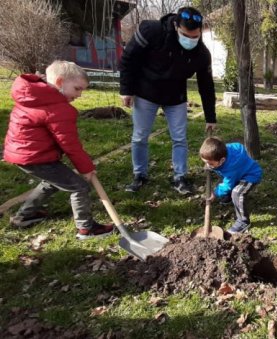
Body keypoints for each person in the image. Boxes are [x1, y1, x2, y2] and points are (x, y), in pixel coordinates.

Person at [3, 61, 114, 239]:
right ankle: (86, 229)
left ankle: (25, 216)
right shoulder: (58, 109)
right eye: (77, 89)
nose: (79, 95)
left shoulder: (33, 95)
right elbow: (70, 144)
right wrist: (86, 168)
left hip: (22, 153)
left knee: (52, 182)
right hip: (36, 156)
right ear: (60, 82)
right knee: (79, 187)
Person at [119, 6, 217, 195]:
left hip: (175, 97)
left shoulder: (202, 53)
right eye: (186, 35)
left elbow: (206, 85)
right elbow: (128, 58)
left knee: (179, 138)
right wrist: (126, 90)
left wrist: (210, 116)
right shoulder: (151, 31)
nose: (190, 40)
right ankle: (140, 174)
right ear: (175, 26)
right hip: (146, 91)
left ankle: (180, 177)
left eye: (195, 36)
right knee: (140, 137)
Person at [199, 137, 262, 234]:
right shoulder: (224, 150)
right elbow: (236, 145)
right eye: (205, 162)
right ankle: (228, 196)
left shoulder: (231, 168)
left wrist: (215, 194)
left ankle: (243, 221)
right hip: (238, 174)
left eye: (210, 163)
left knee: (237, 193)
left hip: (250, 176)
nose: (207, 165)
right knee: (231, 185)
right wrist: (210, 165)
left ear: (222, 160)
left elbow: (227, 185)